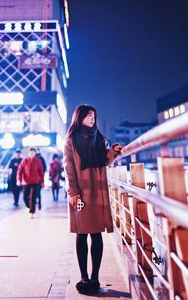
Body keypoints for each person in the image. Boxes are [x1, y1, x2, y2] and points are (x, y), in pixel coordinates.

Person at [63, 104, 123, 295]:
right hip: (80, 192)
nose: (93, 119)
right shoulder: (71, 140)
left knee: (96, 234)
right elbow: (69, 168)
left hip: (98, 192)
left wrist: (113, 151)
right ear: (79, 117)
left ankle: (95, 277)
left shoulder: (100, 138)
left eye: (94, 116)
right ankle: (83, 276)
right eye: (89, 116)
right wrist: (73, 193)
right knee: (82, 234)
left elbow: (106, 159)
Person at [17, 147, 44, 218]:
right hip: (26, 182)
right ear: (28, 153)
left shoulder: (38, 161)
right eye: (30, 153)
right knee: (24, 197)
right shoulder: (24, 160)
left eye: (33, 153)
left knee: (33, 197)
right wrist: (18, 179)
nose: (32, 154)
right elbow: (20, 170)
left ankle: (31, 212)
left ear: (35, 153)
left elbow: (41, 171)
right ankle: (28, 206)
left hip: (35, 182)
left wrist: (42, 181)